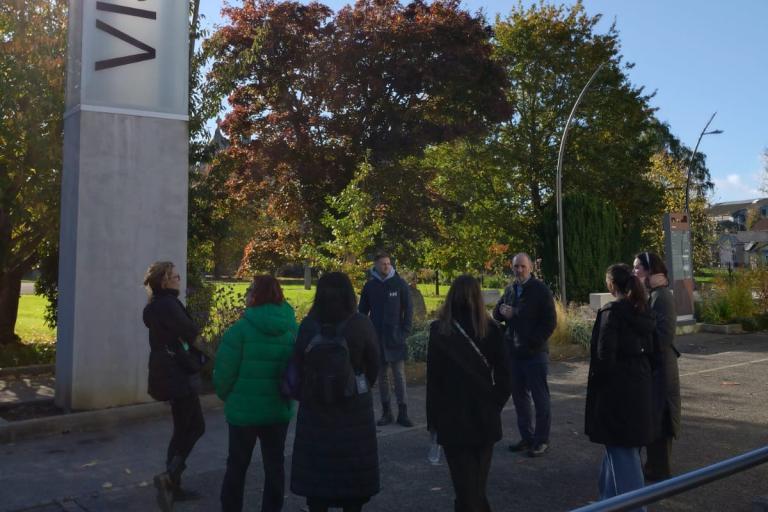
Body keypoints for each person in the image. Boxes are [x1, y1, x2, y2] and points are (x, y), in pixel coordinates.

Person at [291, 272, 381, 512]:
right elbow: (374, 364)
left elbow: (298, 364)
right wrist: (357, 386)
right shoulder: (360, 324)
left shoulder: (308, 326)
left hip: (316, 411)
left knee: (317, 489)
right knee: (353, 491)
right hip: (353, 412)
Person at [427, 275, 511, 512]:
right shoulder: (491, 330)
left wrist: (433, 420)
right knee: (476, 487)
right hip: (484, 416)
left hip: (452, 417)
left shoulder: (440, 331)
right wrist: (494, 403)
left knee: (465, 488)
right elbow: (505, 377)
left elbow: (434, 382)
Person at [215, 275, 298, 512]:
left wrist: (227, 396)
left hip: (243, 412)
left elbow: (224, 373)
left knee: (237, 466)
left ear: (254, 295)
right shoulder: (291, 328)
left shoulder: (239, 330)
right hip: (277, 409)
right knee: (275, 466)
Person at [585, 264, 656, 510]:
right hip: (640, 389)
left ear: (611, 285)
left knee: (622, 455)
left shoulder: (611, 313)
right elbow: (655, 352)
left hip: (617, 394)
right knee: (619, 452)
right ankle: (607, 502)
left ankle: (634, 507)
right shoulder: (643, 311)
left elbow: (604, 358)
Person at [142, 261, 206, 512]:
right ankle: (170, 478)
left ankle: (173, 482)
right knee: (192, 427)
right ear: (164, 281)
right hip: (178, 373)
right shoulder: (169, 304)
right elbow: (190, 331)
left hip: (167, 371)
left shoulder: (156, 305)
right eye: (175, 276)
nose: (179, 279)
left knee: (185, 427)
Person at [492, 253, 556, 457]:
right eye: (515, 266)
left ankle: (541, 440)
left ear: (530, 268)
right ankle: (527, 438)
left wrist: (532, 340)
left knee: (540, 398)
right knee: (520, 399)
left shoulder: (540, 290)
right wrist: (501, 311)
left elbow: (549, 322)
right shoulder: (511, 289)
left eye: (522, 266)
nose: (518, 270)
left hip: (535, 353)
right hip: (514, 353)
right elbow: (497, 313)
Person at [633, 251, 681, 481]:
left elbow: (664, 335)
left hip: (661, 368)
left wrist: (640, 345)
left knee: (660, 419)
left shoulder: (662, 296)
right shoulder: (653, 294)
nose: (635, 272)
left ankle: (660, 471)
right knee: (653, 418)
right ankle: (654, 467)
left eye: (637, 268)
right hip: (655, 366)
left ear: (650, 270)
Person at [358, 252, 414, 427]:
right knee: (382, 376)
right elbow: (362, 312)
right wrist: (366, 334)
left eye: (388, 264)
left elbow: (409, 310)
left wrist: (404, 331)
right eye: (383, 264)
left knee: (399, 376)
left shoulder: (399, 284)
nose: (386, 266)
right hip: (376, 338)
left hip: (395, 337)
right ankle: (386, 412)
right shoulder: (370, 286)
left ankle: (403, 413)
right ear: (375, 266)